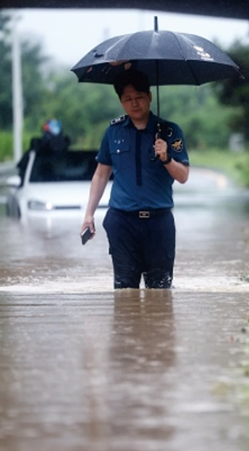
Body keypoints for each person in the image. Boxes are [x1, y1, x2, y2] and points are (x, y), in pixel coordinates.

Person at [81, 69, 190, 289]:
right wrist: (89, 214)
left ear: (149, 97)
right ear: (121, 101)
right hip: (122, 221)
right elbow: (101, 174)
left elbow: (183, 176)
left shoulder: (169, 131)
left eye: (139, 97)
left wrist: (166, 158)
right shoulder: (113, 131)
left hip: (159, 223)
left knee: (160, 291)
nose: (135, 104)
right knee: (124, 291)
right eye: (128, 99)